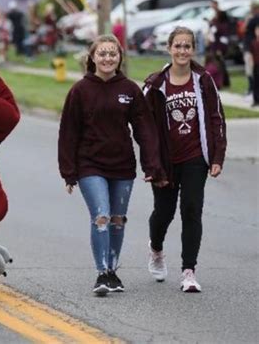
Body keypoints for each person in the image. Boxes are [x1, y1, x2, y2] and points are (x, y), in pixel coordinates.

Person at [58, 34, 166, 296]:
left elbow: (145, 130)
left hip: (122, 166)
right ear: (92, 58)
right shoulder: (80, 91)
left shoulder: (129, 89)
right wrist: (69, 172)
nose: (107, 58)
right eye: (102, 53)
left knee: (118, 220)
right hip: (89, 165)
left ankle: (113, 271)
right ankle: (102, 272)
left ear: (119, 58)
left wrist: (153, 166)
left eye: (112, 54)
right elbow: (68, 132)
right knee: (101, 217)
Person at [143, 26, 227, 293]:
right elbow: (143, 128)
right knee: (163, 214)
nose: (182, 51)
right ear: (169, 48)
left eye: (187, 46)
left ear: (193, 49)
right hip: (165, 162)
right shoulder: (156, 84)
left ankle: (188, 271)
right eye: (177, 46)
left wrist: (217, 156)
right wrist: (150, 163)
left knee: (191, 210)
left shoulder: (203, 80)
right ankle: (156, 249)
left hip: (195, 158)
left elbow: (217, 118)